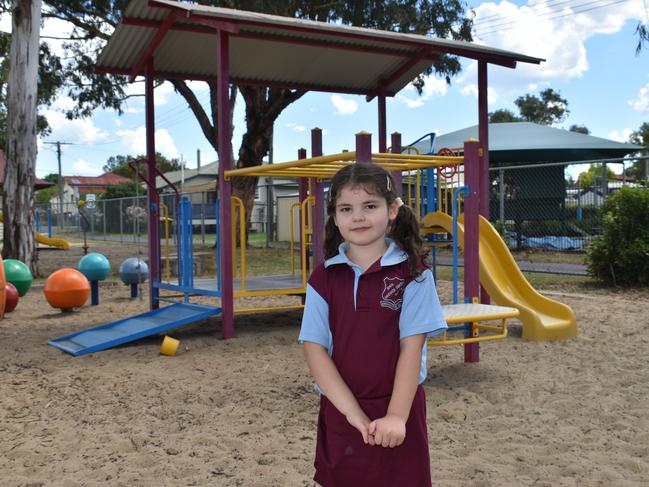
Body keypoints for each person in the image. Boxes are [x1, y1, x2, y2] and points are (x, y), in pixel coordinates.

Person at [299, 162, 447, 487]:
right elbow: (314, 347)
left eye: (370, 206)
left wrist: (396, 416)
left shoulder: (414, 275)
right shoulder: (323, 278)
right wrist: (351, 412)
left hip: (399, 405)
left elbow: (412, 347)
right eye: (346, 208)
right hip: (341, 408)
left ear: (392, 209)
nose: (358, 217)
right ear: (335, 217)